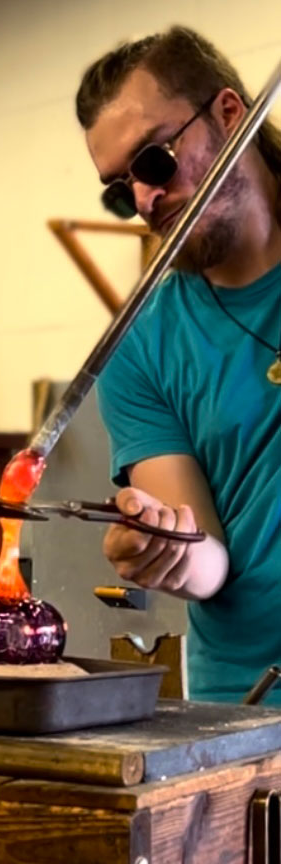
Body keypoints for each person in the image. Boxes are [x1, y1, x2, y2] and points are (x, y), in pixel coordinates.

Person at [75, 26, 281, 706]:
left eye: (155, 161)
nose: (142, 199)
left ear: (230, 116)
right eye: (118, 188)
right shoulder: (142, 343)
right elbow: (211, 557)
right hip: (249, 713)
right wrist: (173, 547)